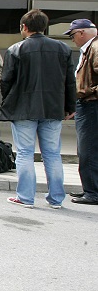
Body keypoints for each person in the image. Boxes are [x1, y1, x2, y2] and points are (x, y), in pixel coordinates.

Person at [0, 9, 76, 209]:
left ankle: (26, 197)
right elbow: (70, 81)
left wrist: (8, 102)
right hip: (53, 107)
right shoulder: (63, 49)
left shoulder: (16, 49)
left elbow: (6, 81)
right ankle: (56, 199)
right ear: (45, 26)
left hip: (24, 107)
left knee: (25, 152)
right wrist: (70, 106)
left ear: (24, 27)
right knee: (52, 153)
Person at [64, 19, 98, 205]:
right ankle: (90, 188)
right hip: (87, 105)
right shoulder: (91, 47)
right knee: (87, 149)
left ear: (82, 33)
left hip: (92, 105)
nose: (73, 39)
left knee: (88, 150)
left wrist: (89, 93)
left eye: (73, 35)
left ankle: (93, 192)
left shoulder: (95, 47)